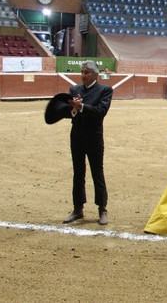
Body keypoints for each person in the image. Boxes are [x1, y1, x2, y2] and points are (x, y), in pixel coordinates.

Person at [62, 61, 113, 225]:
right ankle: (78, 209)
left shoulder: (105, 90)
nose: (83, 75)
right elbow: (68, 113)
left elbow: (100, 112)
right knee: (78, 172)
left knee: (97, 172)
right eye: (82, 72)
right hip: (76, 135)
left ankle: (102, 209)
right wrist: (74, 109)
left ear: (95, 75)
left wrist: (82, 106)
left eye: (86, 73)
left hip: (94, 136)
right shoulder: (74, 89)